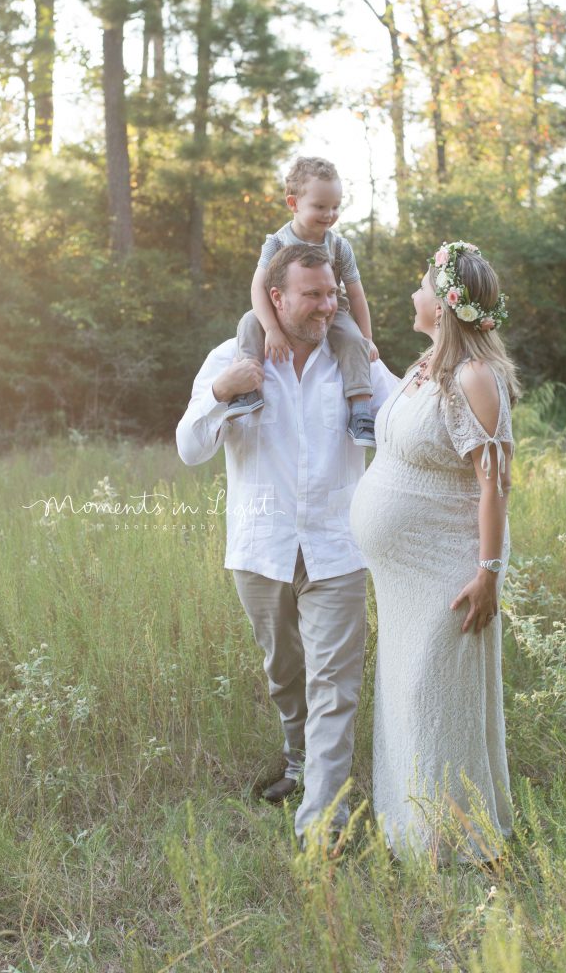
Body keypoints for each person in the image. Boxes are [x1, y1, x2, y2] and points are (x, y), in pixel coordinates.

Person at [176, 243, 398, 846]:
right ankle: (297, 759)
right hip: (261, 546)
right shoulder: (233, 356)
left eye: (333, 293)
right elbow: (189, 448)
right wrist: (222, 393)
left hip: (338, 548)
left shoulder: (355, 361)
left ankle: (320, 826)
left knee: (336, 687)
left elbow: (409, 419)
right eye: (314, 295)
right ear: (277, 298)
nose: (330, 305)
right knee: (285, 673)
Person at [349, 240, 520, 865]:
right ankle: (411, 827)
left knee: (434, 696)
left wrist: (488, 574)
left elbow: (494, 482)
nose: (413, 295)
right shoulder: (428, 369)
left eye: (423, 286)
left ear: (446, 304)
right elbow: (410, 425)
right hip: (402, 577)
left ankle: (453, 842)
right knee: (405, 692)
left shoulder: (476, 377)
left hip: (448, 568)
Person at [224, 156, 379, 448]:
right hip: (279, 313)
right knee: (248, 323)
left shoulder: (339, 246)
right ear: (293, 203)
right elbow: (258, 286)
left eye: (335, 206)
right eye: (320, 207)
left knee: (351, 338)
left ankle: (360, 411)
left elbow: (356, 293)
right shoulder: (277, 242)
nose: (329, 214)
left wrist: (367, 338)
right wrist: (271, 328)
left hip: (331, 312)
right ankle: (247, 389)